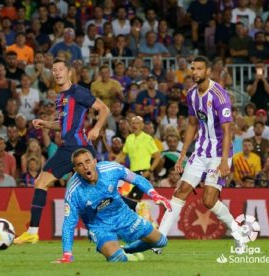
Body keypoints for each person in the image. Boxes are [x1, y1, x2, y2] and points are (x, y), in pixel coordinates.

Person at [14, 57, 110, 244]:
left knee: (101, 190)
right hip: (67, 149)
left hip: (81, 147)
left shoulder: (78, 92)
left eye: (60, 69)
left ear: (69, 72)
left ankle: (135, 211)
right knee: (41, 182)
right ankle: (32, 232)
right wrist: (46, 124)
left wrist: (97, 128)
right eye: (54, 70)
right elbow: (64, 125)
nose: (57, 72)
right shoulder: (60, 98)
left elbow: (104, 109)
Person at [155, 56, 244, 254]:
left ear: (208, 71)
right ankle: (160, 239)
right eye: (192, 68)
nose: (194, 72)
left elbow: (228, 130)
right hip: (201, 151)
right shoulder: (191, 94)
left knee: (209, 200)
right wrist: (182, 154)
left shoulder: (219, 95)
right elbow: (193, 124)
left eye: (198, 69)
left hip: (219, 153)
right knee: (180, 191)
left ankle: (239, 234)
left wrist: (224, 162)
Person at [54, 148, 171, 263]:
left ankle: (126, 249)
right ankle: (118, 253)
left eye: (87, 161)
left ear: (95, 161)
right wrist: (67, 254)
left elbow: (137, 179)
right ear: (75, 170)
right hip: (99, 226)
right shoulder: (73, 191)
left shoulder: (111, 169)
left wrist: (154, 194)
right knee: (117, 258)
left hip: (123, 215)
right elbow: (69, 223)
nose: (85, 167)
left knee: (161, 242)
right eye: (80, 165)